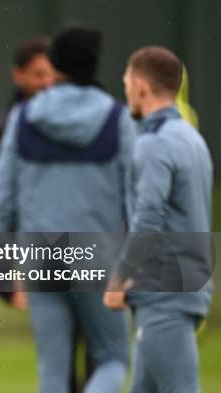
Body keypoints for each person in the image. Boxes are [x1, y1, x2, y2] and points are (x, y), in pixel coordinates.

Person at [0, 26, 135, 393]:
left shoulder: (23, 117)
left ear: (55, 66)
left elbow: (3, 200)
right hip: (97, 254)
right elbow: (138, 196)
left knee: (52, 371)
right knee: (114, 358)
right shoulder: (117, 118)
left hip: (39, 253)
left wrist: (2, 270)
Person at [105, 46, 213, 393]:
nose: (126, 91)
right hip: (178, 291)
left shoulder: (153, 144)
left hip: (164, 294)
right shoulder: (192, 139)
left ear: (141, 87)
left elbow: (147, 220)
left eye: (125, 83)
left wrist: (119, 278)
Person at [0, 37, 54, 167]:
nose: (47, 83)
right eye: (39, 75)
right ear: (18, 75)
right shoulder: (3, 129)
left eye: (52, 75)